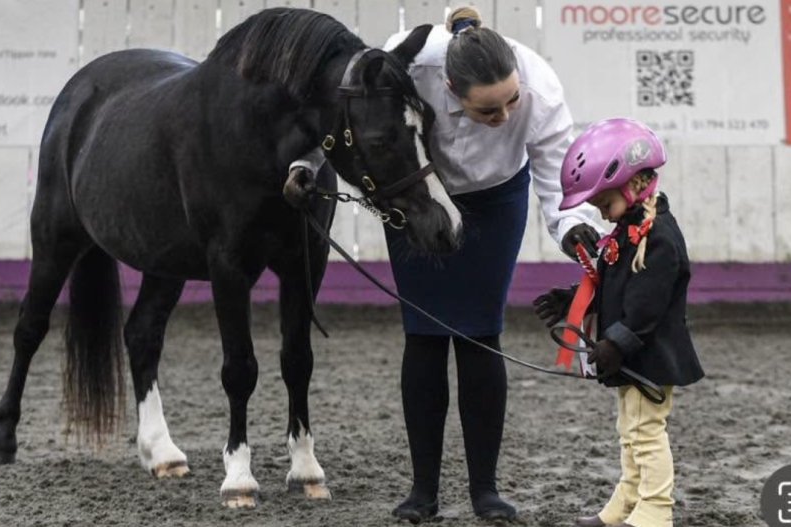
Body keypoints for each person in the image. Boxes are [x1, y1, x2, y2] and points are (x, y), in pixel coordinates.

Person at [287, 5, 602, 522]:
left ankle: (485, 490)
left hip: (496, 201)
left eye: (511, 102)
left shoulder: (540, 89)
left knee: (481, 335)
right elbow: (348, 121)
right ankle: (423, 492)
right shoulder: (404, 63)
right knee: (424, 337)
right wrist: (309, 161)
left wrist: (573, 227)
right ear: (452, 89)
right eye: (488, 110)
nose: (505, 116)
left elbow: (556, 175)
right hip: (416, 200)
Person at [533, 118, 705, 527]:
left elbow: (647, 305)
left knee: (646, 433)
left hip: (649, 355)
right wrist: (574, 299)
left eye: (604, 203)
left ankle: (656, 510)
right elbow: (618, 286)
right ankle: (626, 503)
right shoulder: (628, 231)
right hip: (632, 355)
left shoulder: (658, 237)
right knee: (630, 432)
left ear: (632, 185)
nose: (600, 213)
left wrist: (616, 342)